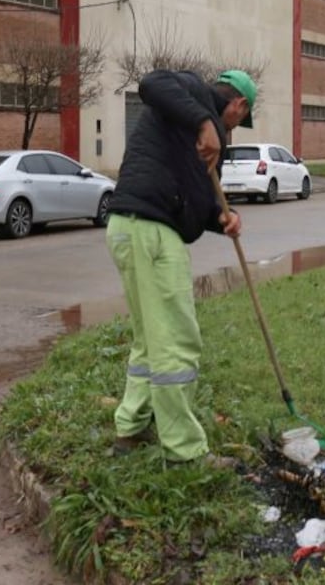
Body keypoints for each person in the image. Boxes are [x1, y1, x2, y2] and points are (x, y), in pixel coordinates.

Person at [104, 68, 256, 468]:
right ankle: (185, 451)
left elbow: (200, 204)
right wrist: (205, 123)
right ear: (238, 105)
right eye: (239, 120)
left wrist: (223, 218)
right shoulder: (192, 92)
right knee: (177, 340)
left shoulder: (205, 147)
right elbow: (151, 83)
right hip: (151, 230)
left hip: (129, 228)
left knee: (149, 339)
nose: (232, 130)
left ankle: (131, 428)